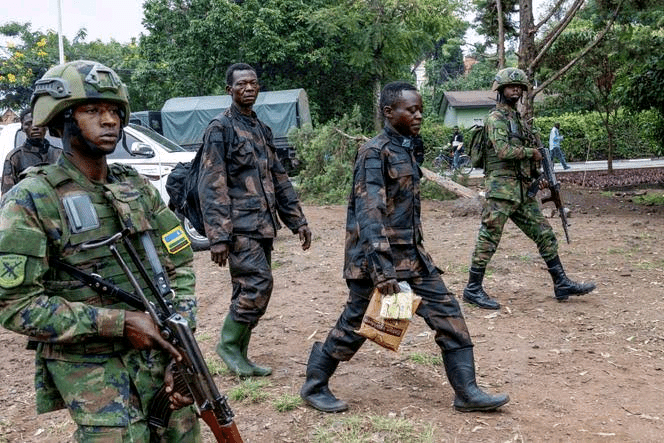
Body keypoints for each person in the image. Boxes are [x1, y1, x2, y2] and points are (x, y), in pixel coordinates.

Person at [0, 60, 199, 442]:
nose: (109, 121)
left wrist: (181, 339)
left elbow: (180, 266)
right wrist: (117, 322)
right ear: (61, 120)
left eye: (114, 111)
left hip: (160, 356)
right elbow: (15, 305)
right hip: (91, 367)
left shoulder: (137, 187)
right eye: (92, 111)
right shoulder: (33, 199)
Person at [300, 81, 509, 414]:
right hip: (375, 262)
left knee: (447, 313)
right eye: (411, 109)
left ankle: (467, 392)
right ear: (388, 112)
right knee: (356, 324)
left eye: (420, 109)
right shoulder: (373, 152)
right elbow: (369, 215)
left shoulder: (407, 147)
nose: (419, 115)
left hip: (412, 258)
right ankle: (314, 385)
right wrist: (382, 272)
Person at [198, 62, 312, 377]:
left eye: (253, 83)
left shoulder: (261, 129)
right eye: (241, 84)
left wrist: (297, 220)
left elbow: (279, 178)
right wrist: (218, 236)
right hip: (238, 228)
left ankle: (241, 355)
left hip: (262, 225)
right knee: (258, 284)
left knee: (249, 287)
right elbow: (212, 184)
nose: (249, 88)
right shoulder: (219, 129)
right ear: (229, 90)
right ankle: (228, 346)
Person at [462, 68, 595, 310]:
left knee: (544, 233)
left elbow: (529, 157)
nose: (516, 89)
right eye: (511, 86)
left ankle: (561, 282)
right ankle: (472, 289)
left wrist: (538, 176)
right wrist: (530, 152)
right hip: (501, 190)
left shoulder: (519, 121)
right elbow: (503, 151)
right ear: (500, 89)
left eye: (519, 87)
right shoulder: (496, 119)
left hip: (523, 191)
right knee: (489, 237)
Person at [2, 108, 62, 194]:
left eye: (39, 123)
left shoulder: (60, 155)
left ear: (46, 126)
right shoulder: (14, 158)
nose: (34, 127)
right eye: (28, 124)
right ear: (23, 128)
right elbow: (7, 196)